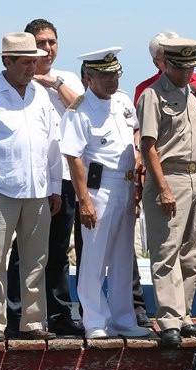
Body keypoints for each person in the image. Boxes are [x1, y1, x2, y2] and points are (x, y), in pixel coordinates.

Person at [0, 32, 60, 342]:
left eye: (35, 62)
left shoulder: (41, 95)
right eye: (26, 62)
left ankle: (32, 323)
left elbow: (52, 144)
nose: (32, 67)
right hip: (0, 191)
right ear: (7, 61)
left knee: (36, 261)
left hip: (38, 191)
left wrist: (54, 186)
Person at [135, 30, 196, 326]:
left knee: (192, 252)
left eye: (192, 67)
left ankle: (184, 315)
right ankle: (170, 318)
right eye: (181, 67)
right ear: (166, 65)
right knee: (167, 250)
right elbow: (148, 145)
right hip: (169, 176)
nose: (188, 72)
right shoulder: (152, 95)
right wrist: (162, 188)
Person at [60, 47, 150, 339]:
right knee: (95, 259)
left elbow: (135, 129)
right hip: (98, 188)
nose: (113, 81)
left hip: (126, 185)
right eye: (106, 75)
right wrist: (83, 200)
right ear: (89, 78)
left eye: (116, 74)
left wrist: (137, 153)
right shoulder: (79, 111)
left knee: (124, 257)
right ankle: (95, 322)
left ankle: (123, 320)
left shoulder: (123, 100)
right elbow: (73, 158)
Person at [6, 19, 85, 337]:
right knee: (23, 248)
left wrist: (52, 84)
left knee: (58, 249)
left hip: (63, 176)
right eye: (41, 42)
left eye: (52, 42)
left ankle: (60, 314)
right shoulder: (16, 82)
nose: (47, 48)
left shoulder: (66, 80)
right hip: (28, 177)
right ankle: (15, 313)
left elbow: (81, 109)